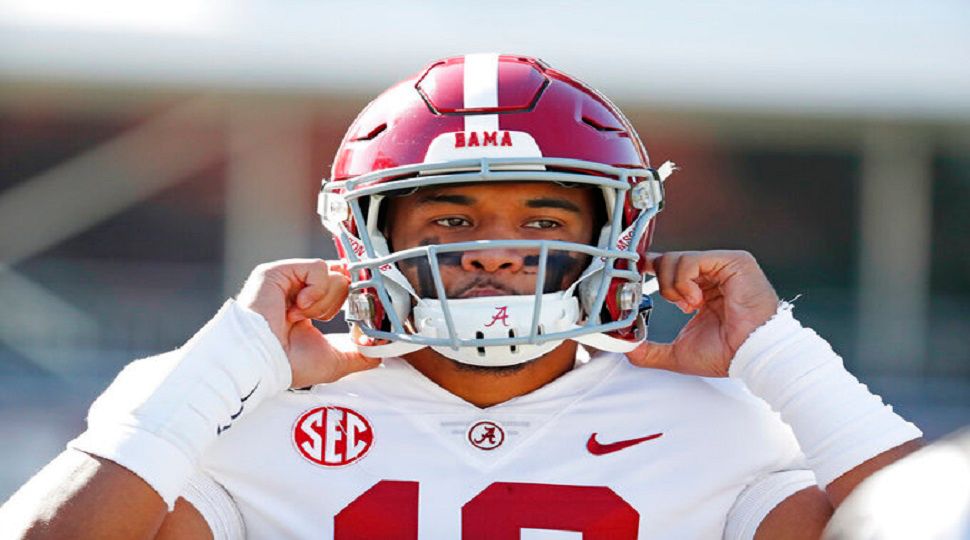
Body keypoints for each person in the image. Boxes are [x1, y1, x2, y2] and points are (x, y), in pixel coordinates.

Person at [0, 54, 922, 539]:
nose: (496, 254)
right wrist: (226, 363)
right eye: (448, 221)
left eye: (544, 221)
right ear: (368, 239)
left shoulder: (730, 422)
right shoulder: (229, 410)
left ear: (618, 236)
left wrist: (782, 354)